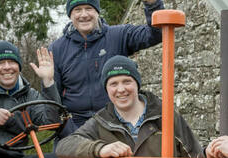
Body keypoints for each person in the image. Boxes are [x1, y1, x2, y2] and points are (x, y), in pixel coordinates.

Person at [50, 0, 165, 138]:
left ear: (97, 12)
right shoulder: (56, 49)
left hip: (116, 124)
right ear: (70, 14)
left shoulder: (119, 35)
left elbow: (155, 34)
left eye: (89, 8)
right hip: (74, 128)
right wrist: (68, 131)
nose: (84, 14)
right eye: (77, 10)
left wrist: (153, 5)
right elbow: (53, 100)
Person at [56, 55, 202, 158]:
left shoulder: (165, 115)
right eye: (113, 84)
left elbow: (195, 156)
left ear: (137, 84)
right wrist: (100, 149)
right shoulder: (101, 121)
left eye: (127, 81)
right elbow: (64, 146)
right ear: (106, 89)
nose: (121, 89)